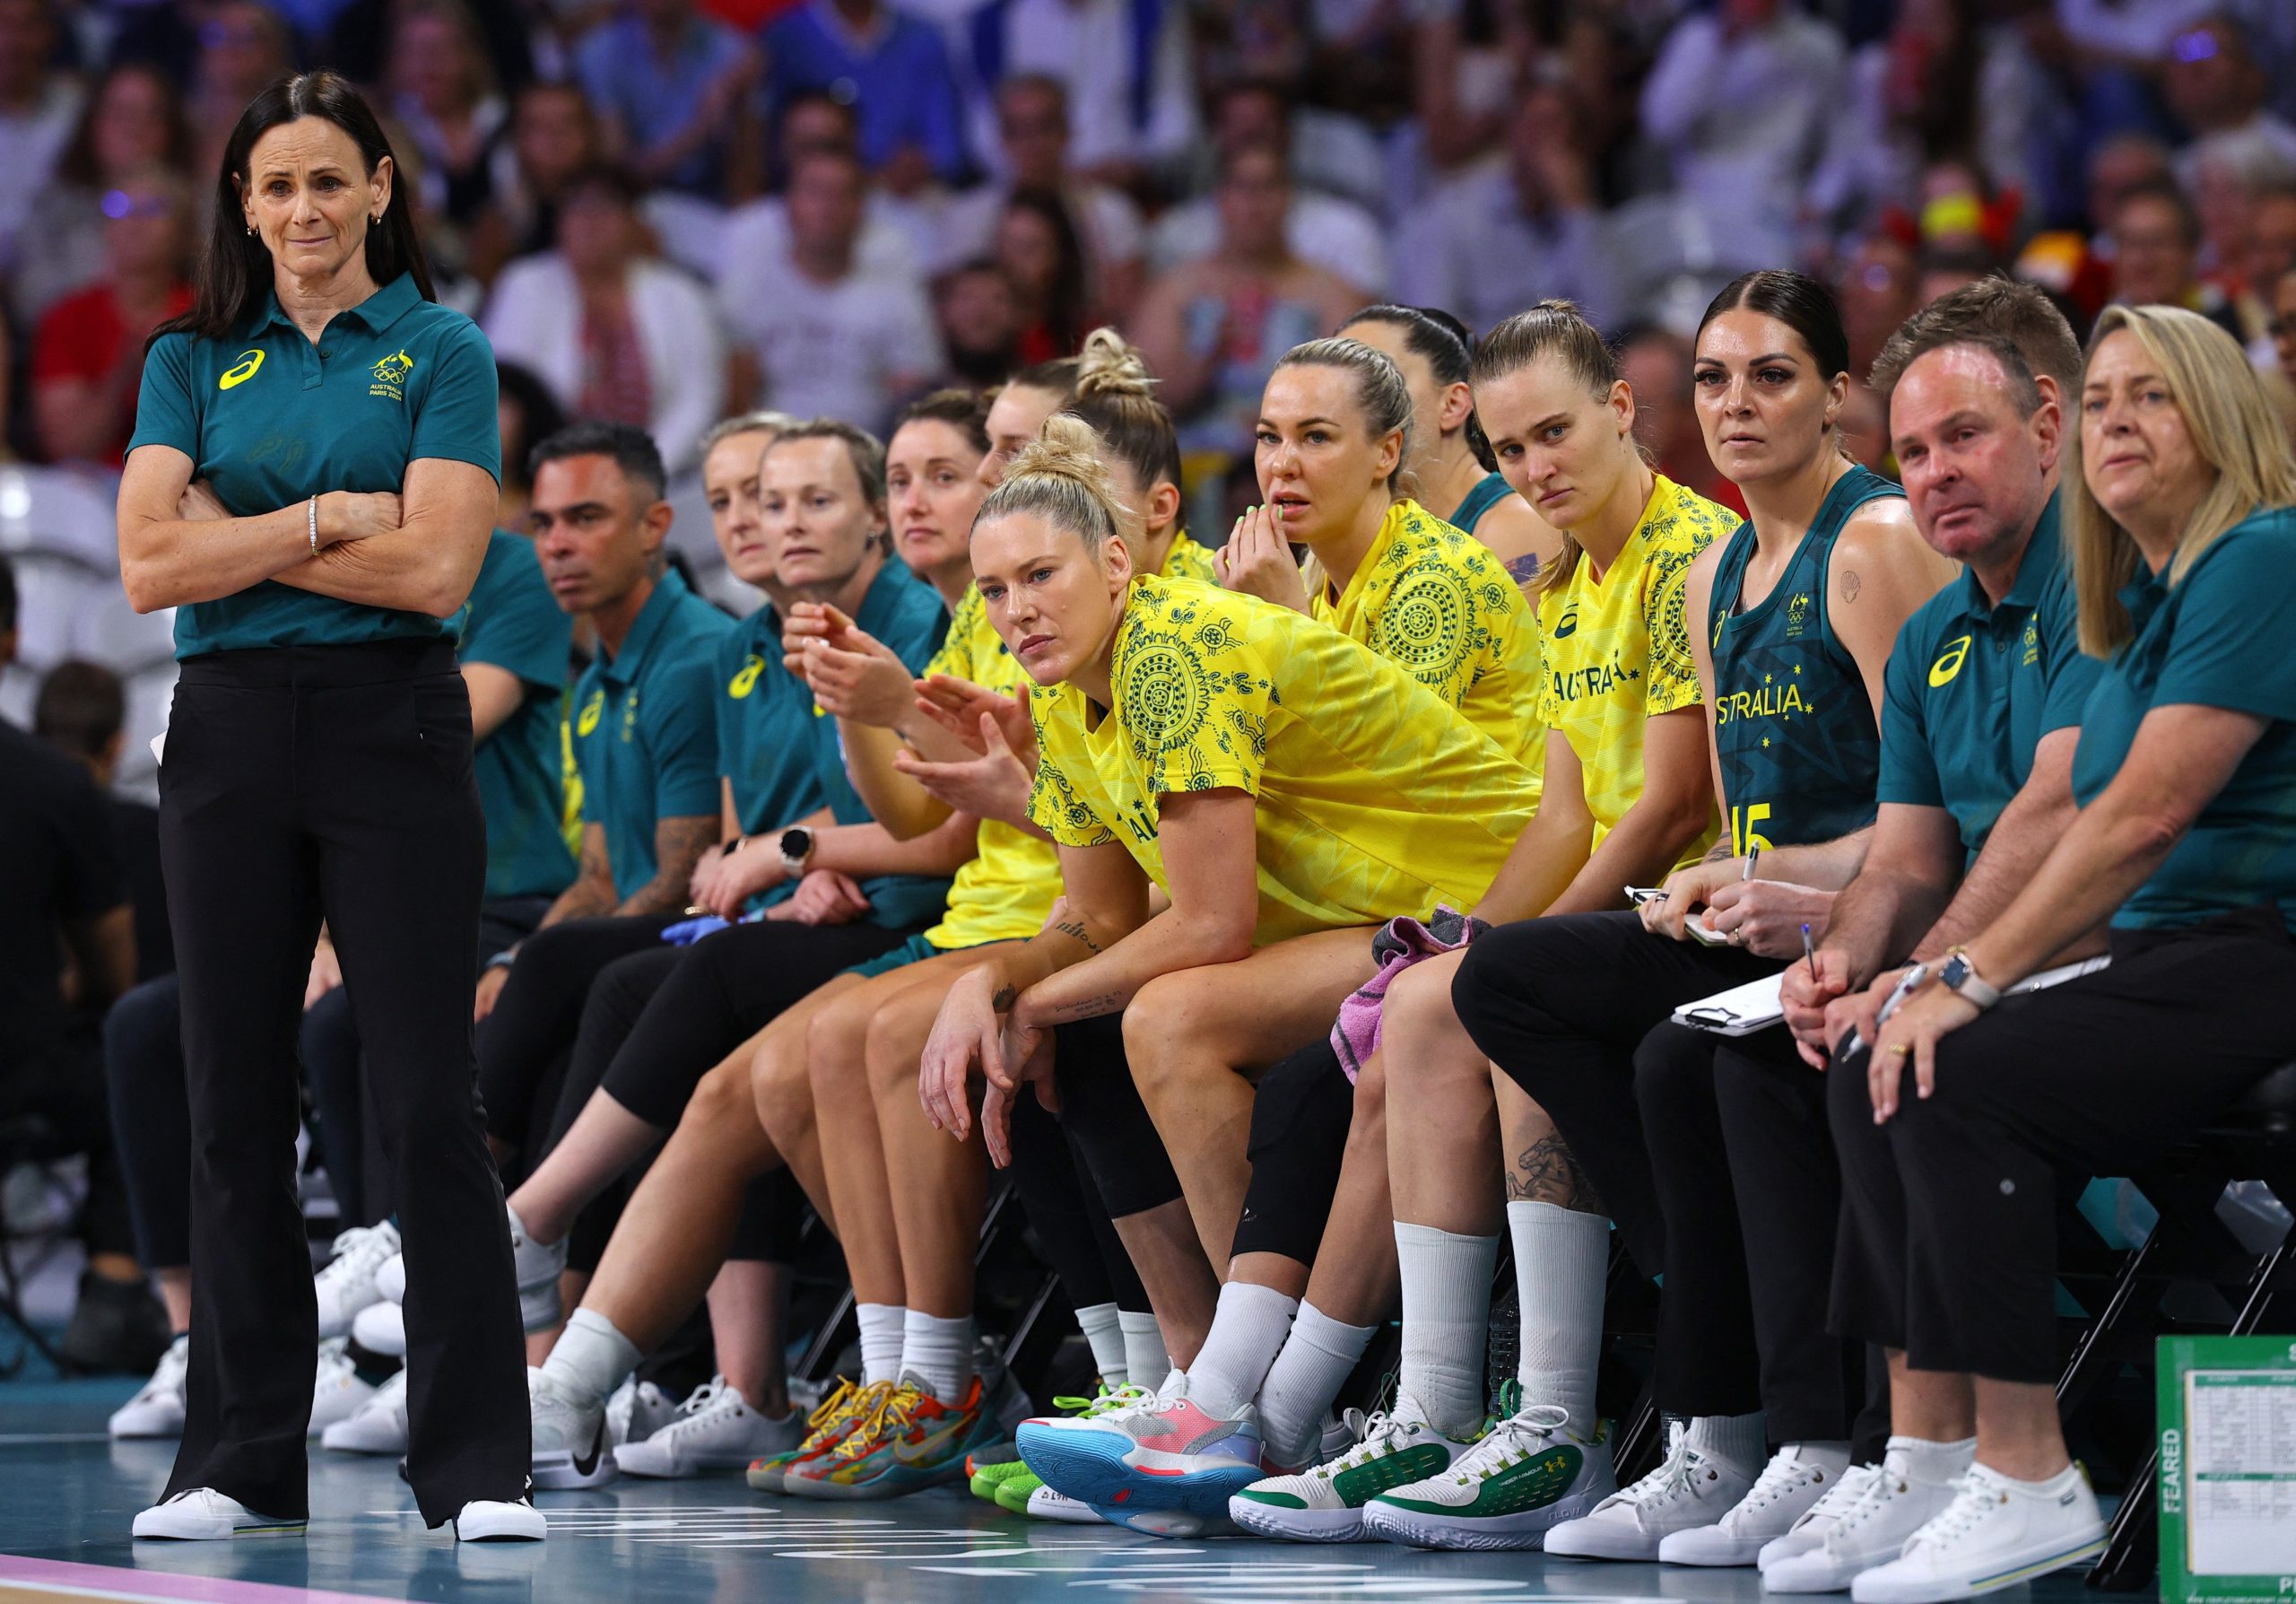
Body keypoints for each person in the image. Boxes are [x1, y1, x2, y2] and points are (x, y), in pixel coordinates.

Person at [926, 413, 1539, 1531]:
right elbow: (1099, 920)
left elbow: (1204, 926)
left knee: (1168, 1018)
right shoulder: (1066, 695)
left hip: (1491, 895)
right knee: (1125, 1019)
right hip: (1360, 917)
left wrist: (1032, 999)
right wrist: (993, 983)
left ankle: (1236, 1397)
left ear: (1117, 562)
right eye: (995, 590)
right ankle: (1219, 1397)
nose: (1017, 611)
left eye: (1040, 577)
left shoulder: (1174, 647)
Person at [1430, 271, 1956, 1562]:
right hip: (1764, 932)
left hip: (1880, 925)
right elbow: (1738, 821)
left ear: (1841, 396)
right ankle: (1715, 1376)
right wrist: (1708, 887)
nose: (1735, 403)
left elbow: (1935, 826)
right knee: (1501, 984)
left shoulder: (1877, 541)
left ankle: (1773, 1429)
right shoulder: (1716, 575)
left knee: (1689, 1061)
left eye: (1772, 375)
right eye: (1714, 379)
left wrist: (1792, 884)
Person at [112, 72, 539, 1542]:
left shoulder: (440, 348)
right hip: (226, 732)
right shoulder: (188, 353)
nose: (300, 209)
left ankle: (478, 1461)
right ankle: (237, 1456)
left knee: (427, 1097)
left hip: (389, 726)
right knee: (230, 1097)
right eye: (273, 185)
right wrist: (321, 519)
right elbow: (147, 570)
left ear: (379, 188)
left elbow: (436, 576)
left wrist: (234, 536)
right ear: (243, 203)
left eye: (326, 181)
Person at [1822, 303, 2296, 1604]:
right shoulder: (2148, 597)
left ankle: (2030, 1477)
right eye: (2103, 402)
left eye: (2155, 397)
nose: (2118, 422)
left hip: (2259, 948)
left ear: (2224, 416)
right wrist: (1932, 980)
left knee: (1958, 1070)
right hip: (2165, 947)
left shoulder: (2260, 557)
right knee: (1886, 1039)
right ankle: (1925, 1453)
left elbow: (2137, 816)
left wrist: (1969, 974)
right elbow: (2081, 821)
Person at [1268, 300, 1734, 1545]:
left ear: (1624, 411)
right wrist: (1474, 932)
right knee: (1442, 993)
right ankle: (1434, 1410)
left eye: (1556, 435)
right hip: (1619, 908)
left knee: (1500, 999)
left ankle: (1557, 1425)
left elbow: (1674, 802)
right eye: (1517, 449)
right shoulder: (1563, 584)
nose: (1536, 470)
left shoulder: (1697, 550)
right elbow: (1565, 818)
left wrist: (1510, 952)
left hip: (1707, 908)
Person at [757, 339, 1223, 1500]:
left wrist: (878, 719)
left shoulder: (1183, 619)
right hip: (1069, 904)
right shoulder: (1014, 603)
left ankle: (1124, 1379)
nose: (999, 477)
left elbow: (1004, 819)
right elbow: (936, 802)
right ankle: (924, 1374)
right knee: (835, 1048)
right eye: (1005, 453)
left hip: (1135, 910)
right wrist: (869, 702)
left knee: (1010, 1032)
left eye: (1017, 452)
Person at [505, 416, 970, 1486]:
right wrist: (790, 859)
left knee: (696, 996)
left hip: (919, 917)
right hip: (851, 913)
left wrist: (800, 853)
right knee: (658, 1000)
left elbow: (921, 829)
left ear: (871, 524)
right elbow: (751, 834)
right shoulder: (766, 641)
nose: (778, 523)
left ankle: (552, 1278)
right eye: (762, 503)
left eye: (817, 500)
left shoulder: (918, 621)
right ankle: (590, 1355)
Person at [2, 579, 155, 1379]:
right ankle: (114, 1292)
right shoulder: (59, 788)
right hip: (24, 1077)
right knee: (139, 1070)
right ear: (10, 639)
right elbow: (113, 968)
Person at [483, 166, 730, 478]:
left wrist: (643, 473)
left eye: (604, 208)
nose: (589, 222)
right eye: (576, 208)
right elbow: (507, 395)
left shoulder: (680, 294)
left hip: (660, 479)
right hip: (541, 479)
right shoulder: (524, 285)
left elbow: (700, 398)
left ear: (634, 222)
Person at [1133, 144, 1363, 465]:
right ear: (1220, 198)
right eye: (1242, 187)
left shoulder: (1329, 292)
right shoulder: (1176, 289)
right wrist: (1209, 357)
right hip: (1194, 460)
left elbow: (1352, 399)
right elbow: (1147, 402)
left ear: (1290, 197)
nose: (1255, 203)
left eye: (1269, 187)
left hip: (1298, 458)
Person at [718, 150, 944, 434]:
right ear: (789, 205)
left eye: (842, 194)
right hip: (769, 451)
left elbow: (914, 399)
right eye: (815, 192)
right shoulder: (747, 288)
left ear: (862, 210)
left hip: (869, 454)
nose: (828, 205)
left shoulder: (897, 296)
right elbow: (732, 399)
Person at [1337, 304, 1556, 583]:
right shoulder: (1362, 544)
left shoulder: (1513, 527)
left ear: (1452, 404)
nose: (1346, 408)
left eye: (1378, 381)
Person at [1395, 85, 1617, 336]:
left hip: (1567, 366)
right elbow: (1433, 333)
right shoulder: (1451, 217)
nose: (1547, 141)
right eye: (1536, 125)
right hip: (1481, 366)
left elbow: (1612, 322)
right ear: (1512, 133)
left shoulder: (1585, 220)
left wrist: (1576, 210)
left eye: (1561, 127)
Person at [934, 75, 1146, 319]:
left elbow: (1130, 314)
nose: (1032, 143)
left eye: (1044, 127)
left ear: (1067, 131)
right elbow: (948, 312)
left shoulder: (1112, 212)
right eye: (1018, 130)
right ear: (1002, 138)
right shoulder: (965, 216)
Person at [31, 166, 195, 467]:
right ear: (103, 227)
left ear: (182, 231)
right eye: (118, 206)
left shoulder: (210, 315)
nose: (135, 221)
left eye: (154, 208)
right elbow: (67, 446)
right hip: (88, 489)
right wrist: (124, 374)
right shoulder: (68, 317)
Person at [8, 61, 192, 325]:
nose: (134, 128)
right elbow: (30, 297)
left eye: (150, 114)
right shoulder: (53, 206)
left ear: (171, 129)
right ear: (93, 123)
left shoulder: (197, 205)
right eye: (121, 112)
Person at [763, 0, 970, 189]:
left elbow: (947, 150)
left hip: (909, 196)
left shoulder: (923, 39)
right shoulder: (787, 37)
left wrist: (921, 162)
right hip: (816, 195)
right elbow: (773, 149)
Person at [573, 0, 761, 200]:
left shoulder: (735, 54)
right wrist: (703, 125)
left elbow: (748, 180)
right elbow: (621, 172)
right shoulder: (598, 53)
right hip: (630, 203)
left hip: (711, 204)